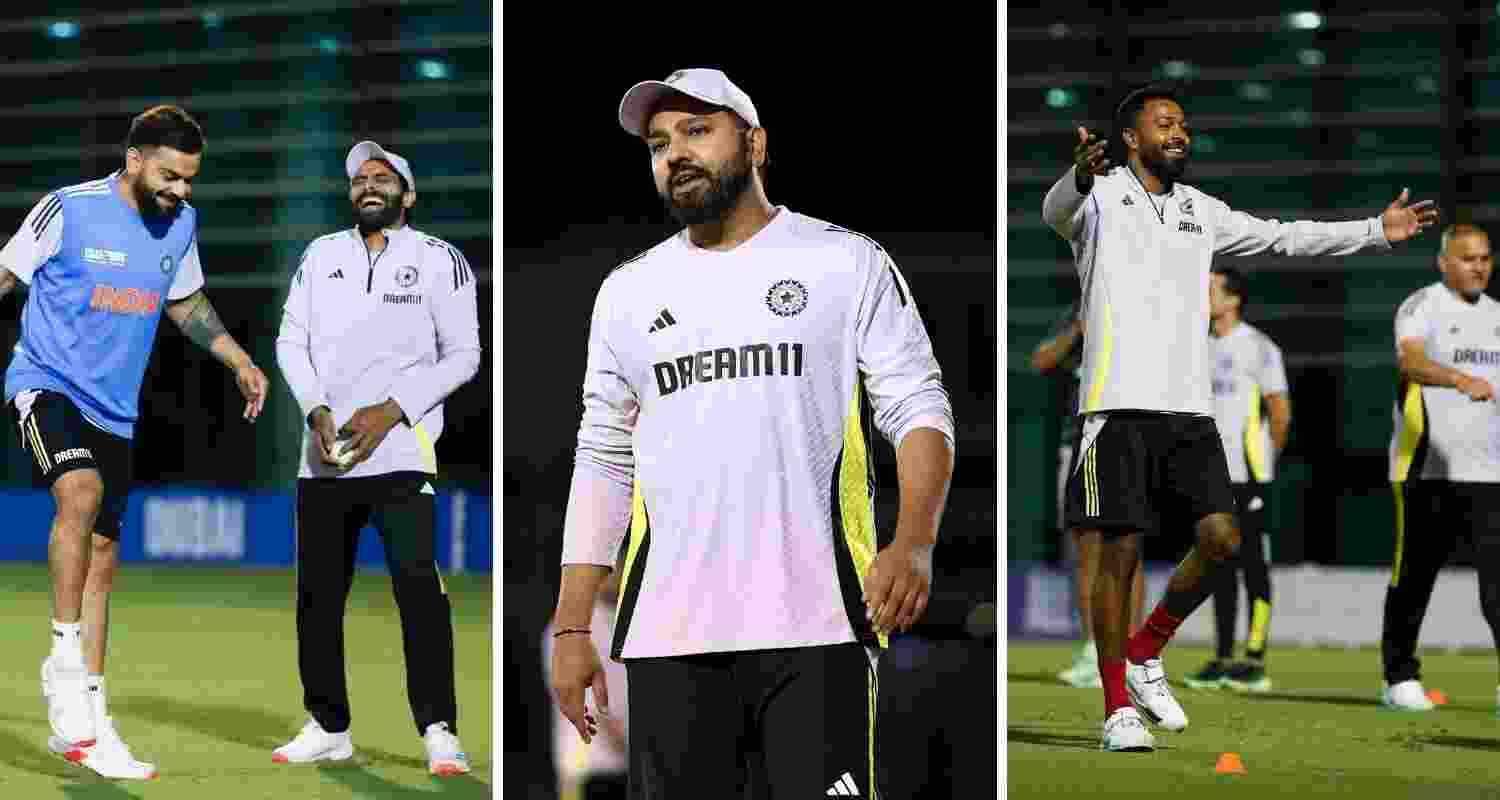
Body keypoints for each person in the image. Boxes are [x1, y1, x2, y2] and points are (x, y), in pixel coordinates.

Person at [549, 68, 955, 798]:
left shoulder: (844, 260)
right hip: (666, 636)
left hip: (820, 623)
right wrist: (574, 626)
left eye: (697, 131)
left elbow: (919, 408)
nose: (674, 154)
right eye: (658, 142)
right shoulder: (626, 292)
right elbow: (601, 459)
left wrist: (914, 541)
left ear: (756, 143)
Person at [1043, 83, 1438, 752]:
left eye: (1184, 124)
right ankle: (1117, 710)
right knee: (1118, 555)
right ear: (1131, 138)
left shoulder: (1203, 209)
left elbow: (1285, 239)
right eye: (1164, 123)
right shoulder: (1099, 198)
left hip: (1189, 410)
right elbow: (1058, 207)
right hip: (1114, 405)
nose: (1179, 132)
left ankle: (1146, 651)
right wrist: (1078, 174)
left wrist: (1375, 232)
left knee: (1223, 537)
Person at [0, 104, 268, 779]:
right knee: (79, 492)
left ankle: (89, 722)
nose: (182, 190)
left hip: (115, 412)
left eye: (190, 180)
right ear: (135, 160)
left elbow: (185, 303)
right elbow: (4, 275)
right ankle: (63, 664)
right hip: (46, 383)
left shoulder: (182, 225)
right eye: (172, 176)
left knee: (103, 557)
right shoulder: (67, 208)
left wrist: (239, 361)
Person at [271, 140, 481, 774]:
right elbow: (290, 341)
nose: (369, 185)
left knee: (419, 589)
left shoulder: (442, 260)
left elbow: (464, 356)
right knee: (317, 597)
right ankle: (329, 724)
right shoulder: (321, 255)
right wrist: (314, 410)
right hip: (324, 458)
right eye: (360, 177)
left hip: (401, 455)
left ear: (407, 195)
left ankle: (438, 729)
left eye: (382, 178)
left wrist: (391, 408)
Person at [1381, 223, 1500, 712]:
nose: (1479, 266)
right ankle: (1399, 677)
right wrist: (1458, 378)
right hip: (1424, 470)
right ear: (1444, 261)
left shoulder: (1497, 316)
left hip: (1490, 473)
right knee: (1414, 575)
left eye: (1485, 258)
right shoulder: (1421, 306)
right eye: (1468, 258)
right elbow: (1410, 363)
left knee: (1496, 583)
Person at [1184, 266, 1291, 693]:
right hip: (1211, 476)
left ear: (1234, 299)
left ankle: (1254, 659)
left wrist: (1266, 462)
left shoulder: (1259, 348)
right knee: (1218, 565)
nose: (1203, 293)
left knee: (1254, 566)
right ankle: (1223, 656)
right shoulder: (1195, 348)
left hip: (1251, 477)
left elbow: (1280, 412)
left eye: (1210, 287)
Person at [1031, 303, 1145, 688]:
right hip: (1076, 440)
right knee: (1084, 548)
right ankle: (1092, 649)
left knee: (1129, 544)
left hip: (1129, 440)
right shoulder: (1076, 311)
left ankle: (1133, 652)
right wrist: (1078, 329)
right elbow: (1042, 361)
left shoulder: (1141, 307)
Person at [544, 564, 629, 800]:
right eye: (613, 570)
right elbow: (577, 694)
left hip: (622, 764)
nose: (619, 576)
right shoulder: (571, 628)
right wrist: (621, 739)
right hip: (587, 764)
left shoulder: (623, 624)